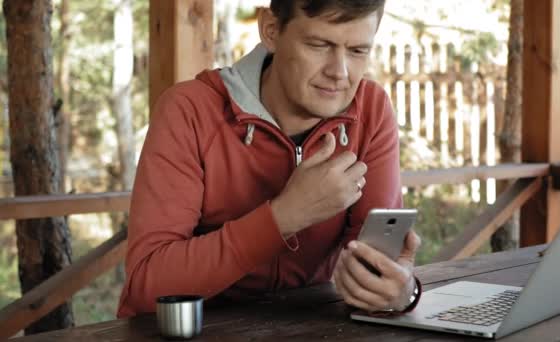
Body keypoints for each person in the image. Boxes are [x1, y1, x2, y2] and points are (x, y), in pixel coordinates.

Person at [117, 0, 422, 318]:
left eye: (358, 51)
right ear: (271, 30)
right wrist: (285, 216)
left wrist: (400, 291)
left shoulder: (370, 110)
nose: (339, 73)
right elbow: (147, 285)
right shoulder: (189, 110)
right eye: (319, 45)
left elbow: (376, 262)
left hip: (308, 328)